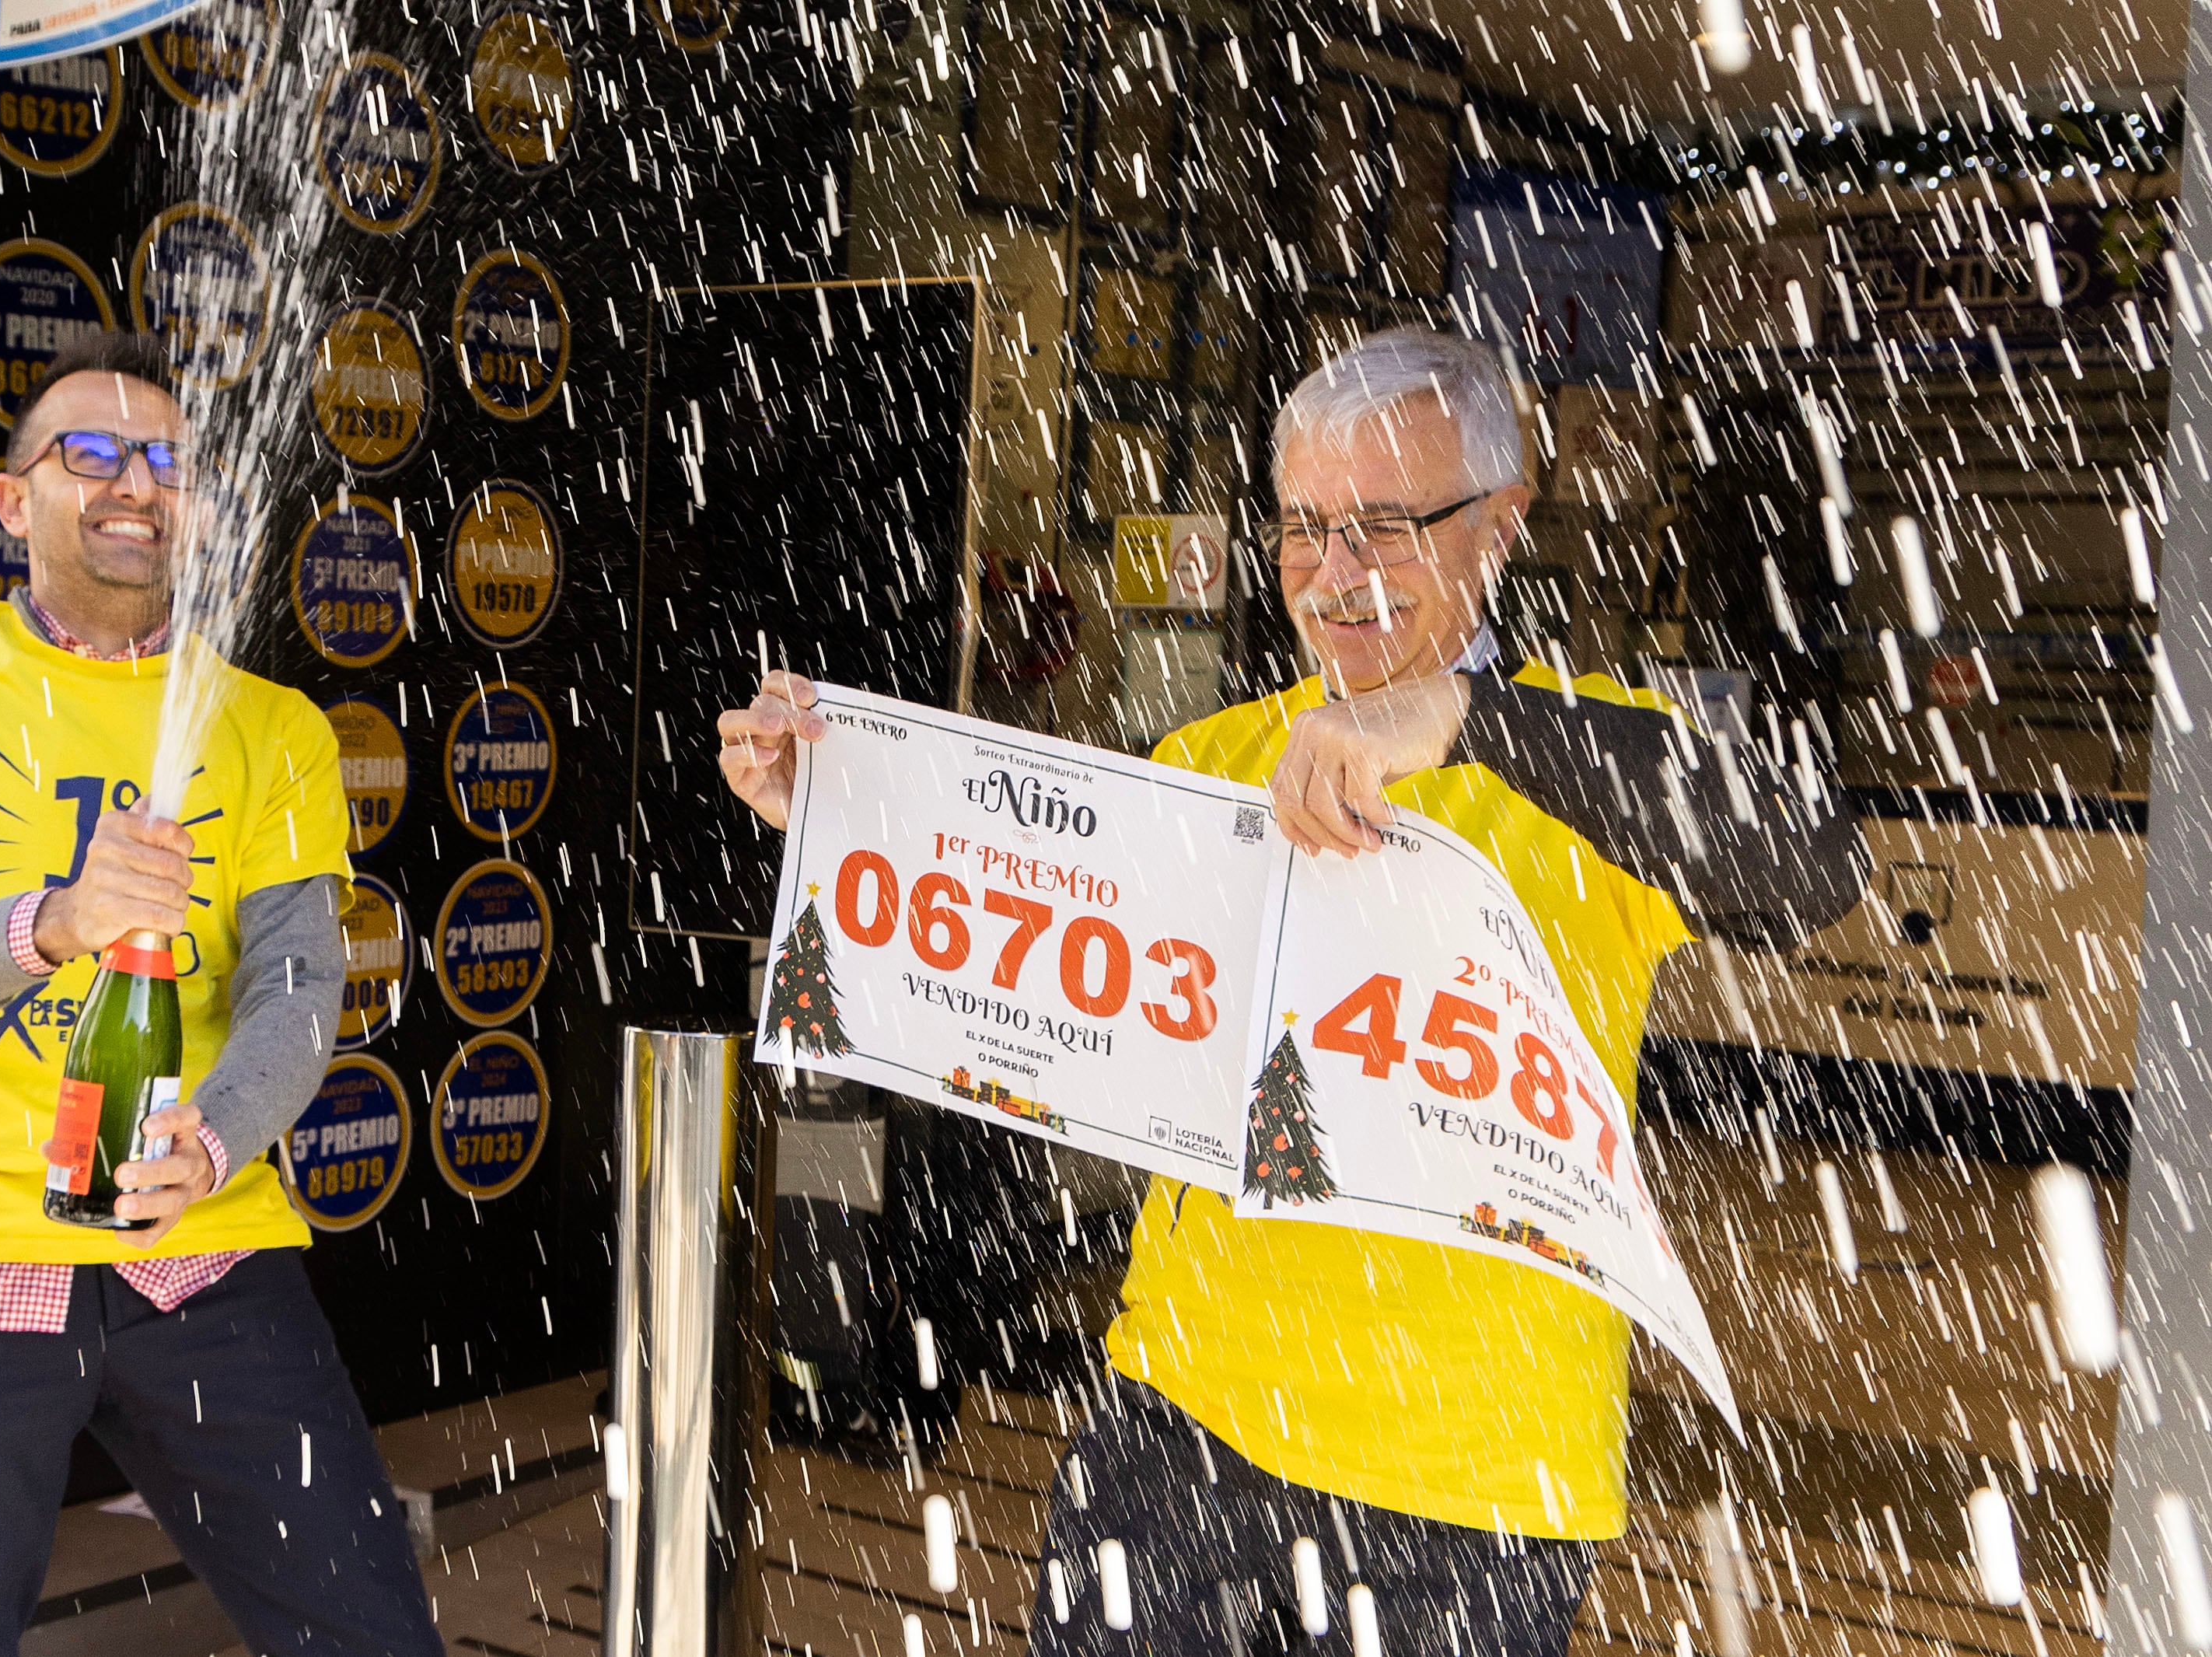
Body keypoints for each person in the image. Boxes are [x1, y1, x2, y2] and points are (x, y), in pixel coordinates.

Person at [715, 327, 1861, 1654]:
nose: (1337, 576)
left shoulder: (1579, 754)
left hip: (1472, 1497)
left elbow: (1811, 855)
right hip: (1177, 1438)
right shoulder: (1206, 757)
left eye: (1387, 525)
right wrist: (839, 816)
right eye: (1306, 526)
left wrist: (1458, 719)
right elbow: (1028, 960)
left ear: (1499, 527)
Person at [0, 334, 442, 1657]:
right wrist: (60, 923)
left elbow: (302, 986)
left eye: (168, 459)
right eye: (89, 451)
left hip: (203, 1252)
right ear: (11, 498)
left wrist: (213, 1137)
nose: (134, 481)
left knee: (374, 1639)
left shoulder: (272, 729)